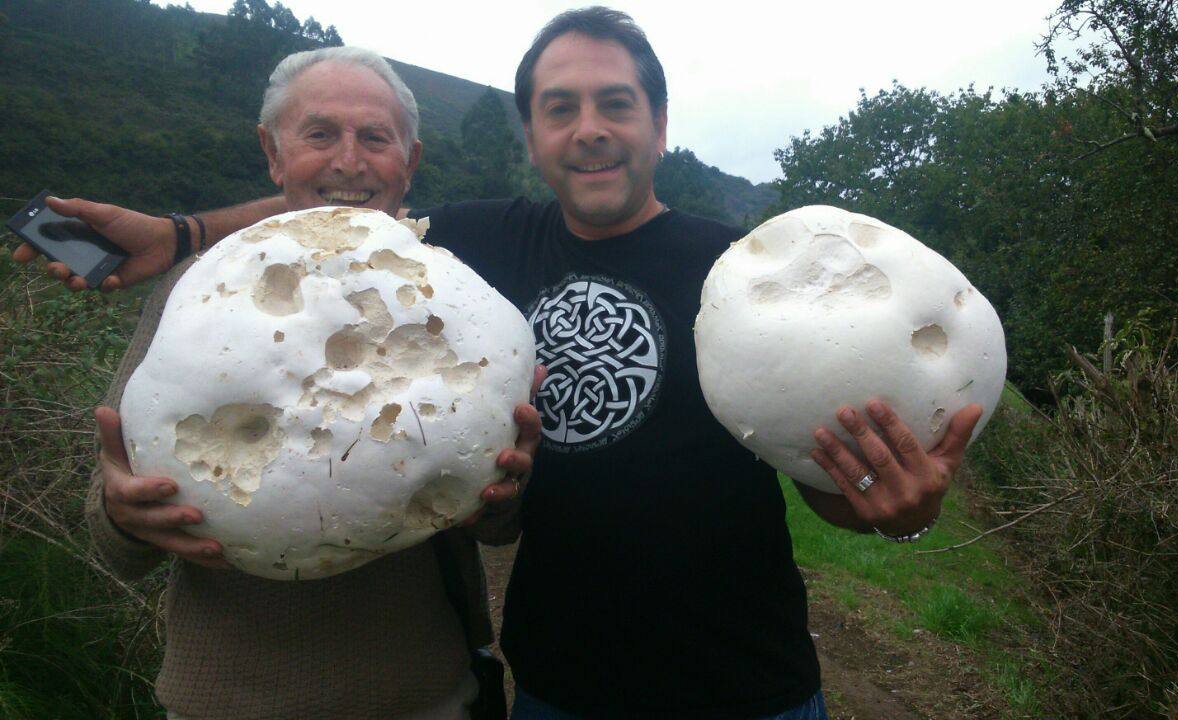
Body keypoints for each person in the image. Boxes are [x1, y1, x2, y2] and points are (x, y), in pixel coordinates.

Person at [16, 8, 983, 718]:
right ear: (531, 133)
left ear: (658, 120)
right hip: (553, 687)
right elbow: (337, 225)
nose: (590, 127)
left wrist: (904, 516)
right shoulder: (469, 250)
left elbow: (819, 468)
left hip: (745, 685)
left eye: (615, 103)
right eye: (560, 108)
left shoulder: (743, 281)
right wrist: (182, 234)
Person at [63, 46, 542, 720]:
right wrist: (125, 514)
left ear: (410, 160)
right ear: (273, 151)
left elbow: (497, 527)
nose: (349, 160)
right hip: (229, 702)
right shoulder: (199, 295)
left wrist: (498, 499)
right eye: (320, 134)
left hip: (426, 694)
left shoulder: (456, 302)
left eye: (375, 137)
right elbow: (114, 538)